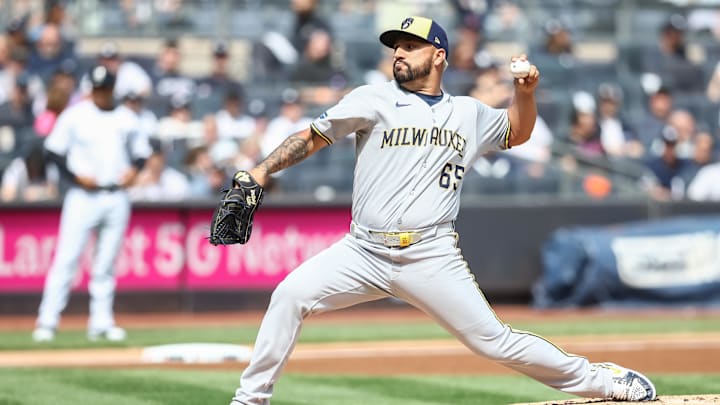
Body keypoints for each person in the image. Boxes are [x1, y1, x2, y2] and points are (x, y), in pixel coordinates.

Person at [225, 16, 656, 404]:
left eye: (410, 45)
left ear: (439, 55)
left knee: (495, 342)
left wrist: (526, 94)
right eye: (395, 45)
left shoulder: (467, 112)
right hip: (362, 251)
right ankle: (250, 399)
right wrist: (262, 170)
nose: (399, 52)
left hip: (430, 255)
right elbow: (313, 136)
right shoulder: (372, 98)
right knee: (289, 295)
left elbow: (518, 131)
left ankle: (600, 380)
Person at [32, 65, 152, 343]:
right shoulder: (76, 115)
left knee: (106, 263)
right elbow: (53, 151)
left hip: (116, 194)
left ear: (112, 89)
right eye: (96, 88)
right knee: (67, 258)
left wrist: (134, 170)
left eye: (105, 88)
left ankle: (101, 321)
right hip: (82, 195)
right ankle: (47, 320)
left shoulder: (126, 118)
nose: (100, 93)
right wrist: (75, 177)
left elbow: (143, 152)